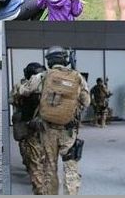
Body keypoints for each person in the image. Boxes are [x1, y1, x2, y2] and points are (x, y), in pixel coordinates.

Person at [37, 46, 90, 195]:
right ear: (65, 59)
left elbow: (24, 91)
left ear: (49, 61)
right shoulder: (77, 77)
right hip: (68, 129)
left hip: (48, 129)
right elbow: (86, 101)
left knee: (50, 167)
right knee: (70, 167)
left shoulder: (43, 76)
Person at [10, 62, 47, 194]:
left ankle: (39, 186)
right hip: (45, 126)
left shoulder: (22, 86)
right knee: (42, 154)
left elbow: (13, 100)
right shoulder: (49, 85)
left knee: (32, 155)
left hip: (29, 124)